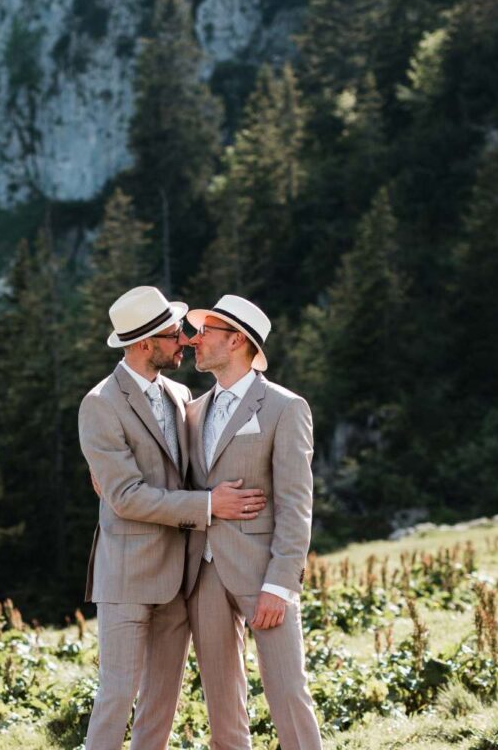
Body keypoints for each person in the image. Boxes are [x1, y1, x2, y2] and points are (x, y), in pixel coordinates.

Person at [78, 286, 267, 750]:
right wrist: (207, 507)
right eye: (173, 333)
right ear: (145, 344)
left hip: (180, 578)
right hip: (126, 574)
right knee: (117, 697)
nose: (185, 339)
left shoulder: (181, 394)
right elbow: (125, 495)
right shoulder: (100, 403)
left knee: (160, 705)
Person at [182, 294, 323, 750]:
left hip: (264, 574)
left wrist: (280, 584)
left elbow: (296, 502)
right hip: (203, 572)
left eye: (206, 333)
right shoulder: (193, 410)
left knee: (287, 692)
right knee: (222, 703)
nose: (194, 340)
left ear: (237, 340)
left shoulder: (286, 407)